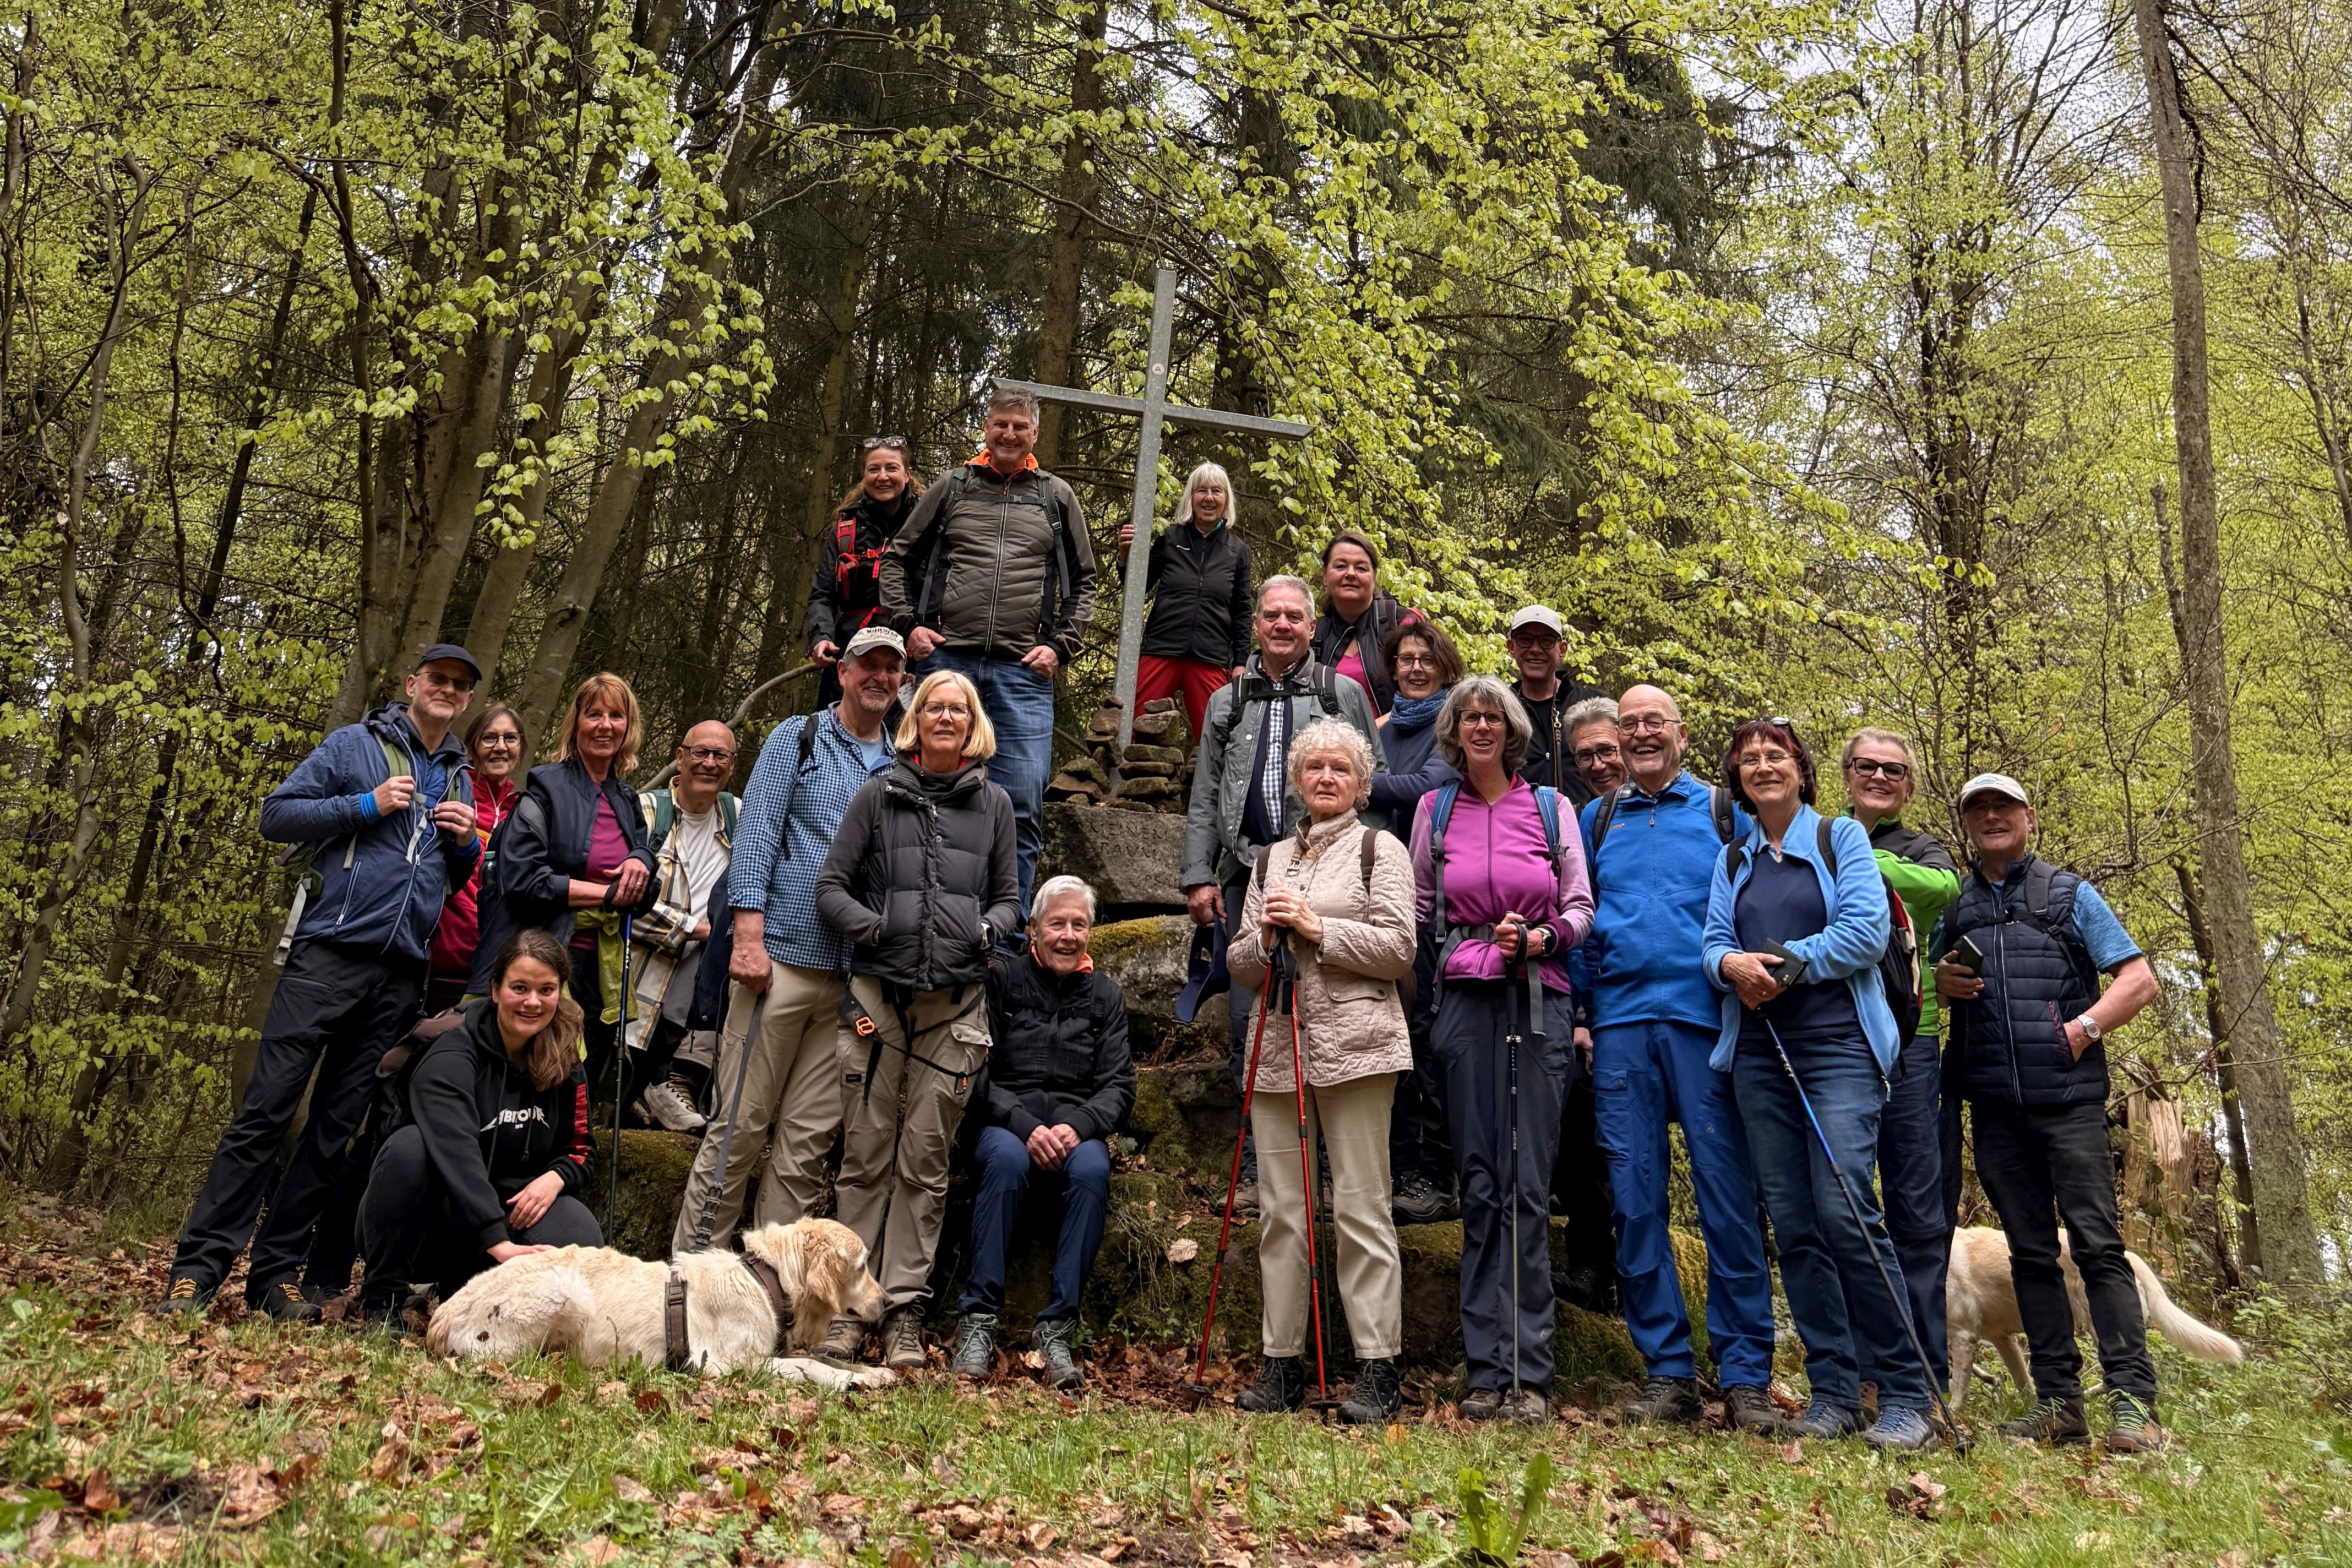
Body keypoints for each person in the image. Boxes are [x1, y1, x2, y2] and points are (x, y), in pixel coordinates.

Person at [160, 645, 482, 1322]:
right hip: (326, 956)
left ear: (467, 700)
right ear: (412, 684)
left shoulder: (459, 776)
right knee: (266, 1112)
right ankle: (196, 1270)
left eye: (461, 686)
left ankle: (275, 1277)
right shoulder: (353, 745)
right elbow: (276, 815)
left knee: (333, 1133)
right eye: (439, 679)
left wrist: (465, 843)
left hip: (400, 976)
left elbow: (445, 878)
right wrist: (366, 803)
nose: (448, 691)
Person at [1701, 717, 1935, 1450]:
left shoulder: (1842, 839)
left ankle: (1906, 1393)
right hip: (1760, 1057)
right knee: (1796, 1225)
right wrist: (1729, 967)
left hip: (1840, 1051)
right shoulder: (1734, 857)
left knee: (1846, 1213)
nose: (1763, 766)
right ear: (1738, 779)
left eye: (1776, 755)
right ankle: (1834, 1390)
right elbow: (1712, 944)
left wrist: (1781, 963)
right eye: (1749, 760)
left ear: (1801, 770)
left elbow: (1865, 932)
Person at [1937, 772, 2165, 1452]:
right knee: (2030, 1253)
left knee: (2097, 1245)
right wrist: (1940, 983)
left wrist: (2082, 1030)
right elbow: (1930, 986)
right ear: (1968, 824)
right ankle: (2060, 1404)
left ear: (2028, 817)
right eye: (1979, 809)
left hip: (2070, 1104)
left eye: (2003, 806)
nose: (1992, 817)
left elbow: (2138, 979)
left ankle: (2133, 1405)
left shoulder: (2069, 894)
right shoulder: (1957, 906)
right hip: (1995, 1110)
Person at [1571, 686, 1778, 1432]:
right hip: (1621, 1026)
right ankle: (1667, 1373)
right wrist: (1584, 1014)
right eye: (1629, 725)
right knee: (1634, 1203)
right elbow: (1584, 917)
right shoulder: (1598, 819)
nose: (1641, 734)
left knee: (1728, 1200)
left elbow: (1763, 903)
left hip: (1708, 1024)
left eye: (1653, 722)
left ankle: (1746, 1376)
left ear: (1682, 734)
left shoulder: (1725, 812)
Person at [670, 627, 906, 1256]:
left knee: (804, 1148)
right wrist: (748, 935)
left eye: (892, 668)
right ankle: (689, 1277)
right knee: (738, 1129)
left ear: (902, 681)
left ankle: (765, 1285)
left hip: (854, 983)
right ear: (844, 673)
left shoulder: (902, 763)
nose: (880, 676)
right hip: (779, 962)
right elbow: (757, 837)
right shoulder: (798, 738)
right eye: (868, 664)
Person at [813, 669, 1020, 1369]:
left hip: (955, 1007)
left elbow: (1010, 899)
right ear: (916, 719)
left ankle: (903, 1309)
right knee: (865, 1157)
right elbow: (831, 887)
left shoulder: (995, 803)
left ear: (973, 723)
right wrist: (873, 928)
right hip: (878, 1000)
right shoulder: (878, 794)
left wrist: (987, 930)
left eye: (958, 708)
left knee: (925, 1163)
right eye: (934, 706)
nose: (945, 717)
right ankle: (848, 1310)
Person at [1410, 677, 1594, 1423]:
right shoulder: (1435, 809)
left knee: (1526, 1184)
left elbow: (1581, 906)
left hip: (1539, 999)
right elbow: (1419, 910)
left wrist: (1543, 937)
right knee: (1480, 1183)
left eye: (1493, 717)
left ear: (1512, 730)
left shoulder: (1552, 808)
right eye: (1469, 718)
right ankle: (1485, 1369)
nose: (1481, 727)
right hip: (1464, 1002)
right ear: (1454, 732)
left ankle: (1530, 1372)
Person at [1228, 719, 1417, 1426]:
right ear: (1298, 781)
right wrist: (1265, 938)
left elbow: (1399, 949)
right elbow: (1240, 965)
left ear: (1363, 784)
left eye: (1341, 768)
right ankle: (1282, 1362)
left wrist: (1318, 928)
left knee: (1363, 1204)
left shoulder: (1380, 849)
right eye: (1315, 768)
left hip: (1359, 1047)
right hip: (1278, 1046)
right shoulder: (1270, 858)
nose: (1328, 778)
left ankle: (1377, 1365)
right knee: (1282, 1208)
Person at [1182, 576, 1387, 1212]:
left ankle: (1324, 1173)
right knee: (1251, 1022)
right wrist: (1198, 874)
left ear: (1310, 626)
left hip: (1328, 873)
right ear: (1256, 624)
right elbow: (1205, 792)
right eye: (1271, 615)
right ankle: (1259, 1172)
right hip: (1247, 874)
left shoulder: (1340, 691)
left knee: (1326, 1016)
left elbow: (1373, 782)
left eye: (1294, 616)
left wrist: (1367, 872)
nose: (1282, 625)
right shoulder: (1228, 700)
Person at [879, 385, 1097, 911]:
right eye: (1001, 424)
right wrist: (909, 626)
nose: (1009, 434)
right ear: (986, 428)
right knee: (922, 791)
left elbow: (1085, 582)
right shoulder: (953, 486)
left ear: (1035, 434)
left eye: (1020, 426)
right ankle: (919, 917)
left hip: (1024, 672)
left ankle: (1006, 932)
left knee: (1021, 806)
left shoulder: (1055, 497)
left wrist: (1061, 647)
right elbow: (896, 560)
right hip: (947, 664)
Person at [353, 930, 601, 1325]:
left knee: (580, 1232)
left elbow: (582, 1148)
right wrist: (496, 1240)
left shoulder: (565, 1057)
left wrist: (555, 1178)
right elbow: (458, 1154)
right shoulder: (451, 1052)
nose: (533, 1002)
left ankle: (484, 1303)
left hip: (507, 1215)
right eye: (520, 988)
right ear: (495, 990)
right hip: (432, 1222)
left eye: (546, 990)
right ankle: (382, 1297)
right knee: (410, 1147)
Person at [950, 876, 1135, 1391]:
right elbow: (973, 1072)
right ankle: (978, 1320)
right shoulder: (1002, 982)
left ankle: (1057, 1329)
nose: (1068, 935)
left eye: (1080, 925)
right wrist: (1026, 1126)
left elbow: (1119, 1087)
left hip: (1076, 1130)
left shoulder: (1106, 997)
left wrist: (1078, 1128)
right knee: (1007, 1160)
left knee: (1094, 1168)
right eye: (1057, 924)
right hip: (1005, 1125)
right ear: (1032, 929)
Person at [467, 673, 659, 1097]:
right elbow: (523, 880)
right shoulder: (545, 788)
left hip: (602, 970)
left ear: (628, 727)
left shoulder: (627, 800)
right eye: (594, 715)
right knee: (527, 1079)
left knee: (575, 1083)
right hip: (542, 959)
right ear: (576, 724)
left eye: (616, 716)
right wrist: (607, 894)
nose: (605, 725)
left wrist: (642, 861)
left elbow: (646, 888)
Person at [1840, 728, 1961, 1391]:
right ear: (1847, 773)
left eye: (1894, 770)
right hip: (1837, 1041)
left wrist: (1855, 854)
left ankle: (1926, 1376)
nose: (1880, 777)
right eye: (1868, 766)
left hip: (1911, 1042)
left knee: (1917, 1210)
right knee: (1847, 1204)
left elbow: (1943, 889)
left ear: (1909, 786)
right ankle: (1861, 1374)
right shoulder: (1813, 835)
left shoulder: (1920, 848)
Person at [1364, 618, 1462, 1224]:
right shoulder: (1383, 727)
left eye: (1427, 658)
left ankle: (1434, 1173)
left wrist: (1357, 782)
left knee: (1422, 1035)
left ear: (1444, 665)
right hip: (1374, 896)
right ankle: (1394, 1167)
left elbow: (1426, 789)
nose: (1416, 668)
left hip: (1429, 902)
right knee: (1381, 1034)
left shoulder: (1456, 725)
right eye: (1406, 659)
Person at [624, 720, 741, 1133]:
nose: (709, 763)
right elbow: (620, 900)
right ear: (680, 757)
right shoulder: (645, 811)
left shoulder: (738, 816)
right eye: (700, 753)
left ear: (732, 765)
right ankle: (643, 1092)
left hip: (704, 976)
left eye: (720, 755)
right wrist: (695, 928)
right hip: (639, 968)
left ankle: (669, 1084)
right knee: (619, 1072)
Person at [1117, 461, 1253, 738]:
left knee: (1217, 736)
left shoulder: (1237, 551)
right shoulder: (1170, 539)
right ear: (1191, 497)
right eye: (1201, 490)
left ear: (1226, 499)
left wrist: (1241, 661)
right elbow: (1137, 588)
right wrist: (1124, 557)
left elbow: (1241, 611)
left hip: (1210, 656)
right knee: (1132, 728)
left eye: (1216, 491)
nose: (1209, 498)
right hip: (1161, 649)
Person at [424, 704, 526, 1015]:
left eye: (510, 738)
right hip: (435, 959)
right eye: (489, 738)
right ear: (472, 747)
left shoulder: (525, 812)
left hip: (490, 969)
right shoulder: (451, 794)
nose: (501, 747)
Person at [808, 437, 922, 707]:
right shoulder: (844, 529)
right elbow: (823, 594)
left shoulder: (928, 524)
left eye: (891, 468)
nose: (883, 477)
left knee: (908, 730)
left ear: (907, 474)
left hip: (912, 653)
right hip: (850, 653)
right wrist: (822, 638)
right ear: (864, 475)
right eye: (874, 469)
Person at [1502, 604, 1601, 805]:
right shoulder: (1500, 710)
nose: (1535, 649)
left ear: (1562, 650)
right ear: (1512, 647)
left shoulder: (1593, 706)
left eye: (1547, 641)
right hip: (1518, 822)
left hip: (1587, 821)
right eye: (1525, 640)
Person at [1309, 532, 1411, 717]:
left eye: (1361, 568)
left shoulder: (1402, 624)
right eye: (1340, 566)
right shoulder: (1313, 634)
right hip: (1329, 735)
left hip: (1397, 733)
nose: (1350, 574)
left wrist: (1374, 729)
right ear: (1325, 577)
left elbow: (1427, 694)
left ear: (1374, 577)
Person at [1564, 697, 1626, 801]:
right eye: (1585, 755)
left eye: (1606, 751)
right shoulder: (1573, 811)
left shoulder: (1654, 807)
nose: (1597, 766)